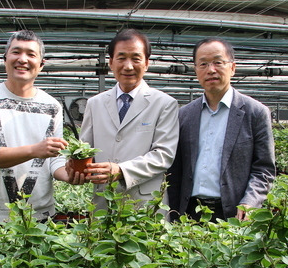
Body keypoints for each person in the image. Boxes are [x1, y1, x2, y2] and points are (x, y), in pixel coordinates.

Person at [167, 37, 276, 222]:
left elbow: (263, 168)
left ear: (232, 67)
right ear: (196, 70)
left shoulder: (255, 113)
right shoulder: (184, 115)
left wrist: (250, 201)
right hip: (189, 213)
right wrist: (173, 214)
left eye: (218, 62)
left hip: (233, 213)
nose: (211, 70)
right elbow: (175, 171)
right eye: (203, 64)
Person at [0, 30, 71, 223]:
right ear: (5, 58)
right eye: (16, 52)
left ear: (41, 65)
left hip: (41, 214)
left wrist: (70, 174)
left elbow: (54, 160)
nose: (23, 59)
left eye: (31, 54)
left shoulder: (52, 106)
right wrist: (35, 150)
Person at [75, 29, 179, 209]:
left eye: (136, 58)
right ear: (111, 63)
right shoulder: (95, 103)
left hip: (144, 204)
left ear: (146, 63)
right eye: (121, 58)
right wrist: (76, 167)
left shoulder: (164, 104)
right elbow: (84, 149)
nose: (128, 66)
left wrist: (121, 170)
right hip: (103, 202)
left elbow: (163, 155)